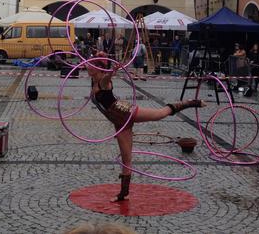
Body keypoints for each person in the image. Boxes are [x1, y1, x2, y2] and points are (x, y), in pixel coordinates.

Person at [87, 52, 204, 201]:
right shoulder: (93, 80)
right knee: (126, 158)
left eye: (89, 64)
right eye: (87, 63)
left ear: (98, 68)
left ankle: (191, 102)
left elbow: (106, 80)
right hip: (119, 123)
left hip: (125, 112)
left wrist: (113, 72)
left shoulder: (103, 81)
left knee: (160, 114)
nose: (86, 65)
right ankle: (123, 193)